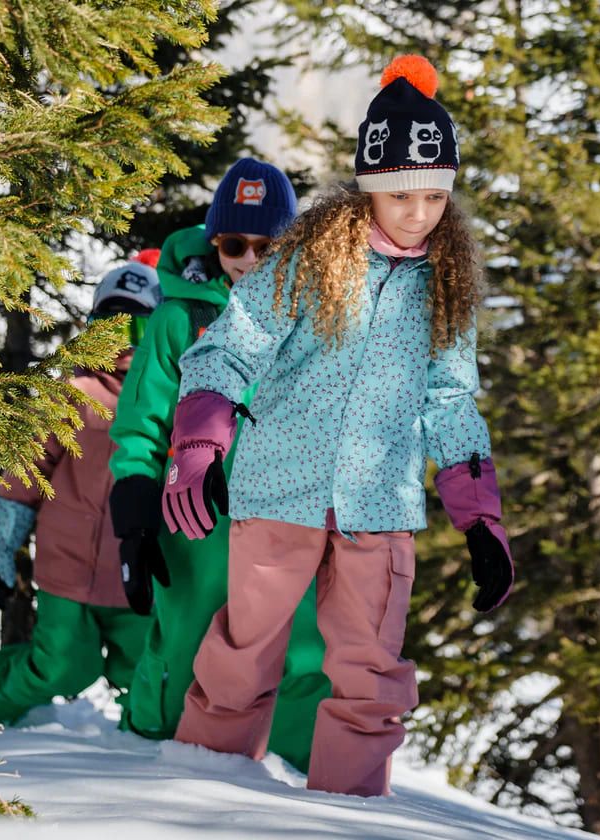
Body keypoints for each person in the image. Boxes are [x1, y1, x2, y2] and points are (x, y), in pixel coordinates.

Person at [162, 55, 515, 797]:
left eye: (434, 195)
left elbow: (451, 403)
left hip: (379, 509)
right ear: (368, 187)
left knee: (371, 676)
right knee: (241, 657)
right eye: (400, 194)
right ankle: (202, 795)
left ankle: (350, 816)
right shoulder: (308, 262)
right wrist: (199, 444)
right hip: (277, 492)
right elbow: (227, 351)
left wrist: (480, 520)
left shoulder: (445, 288)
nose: (418, 213)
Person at [107, 159, 329, 772]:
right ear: (214, 243)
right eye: (235, 245)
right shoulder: (179, 318)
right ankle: (148, 741)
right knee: (188, 633)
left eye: (267, 246)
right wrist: (135, 508)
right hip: (194, 509)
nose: (249, 260)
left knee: (301, 643)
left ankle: (301, 767)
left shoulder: (312, 316)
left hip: (287, 505)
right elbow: (144, 414)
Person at [0, 259, 161, 725]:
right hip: (67, 570)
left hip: (136, 575)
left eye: (137, 328)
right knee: (62, 666)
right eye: (109, 328)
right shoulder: (72, 392)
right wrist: (1, 545)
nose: (122, 344)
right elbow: (25, 471)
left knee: (146, 674)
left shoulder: (168, 401)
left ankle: (142, 749)